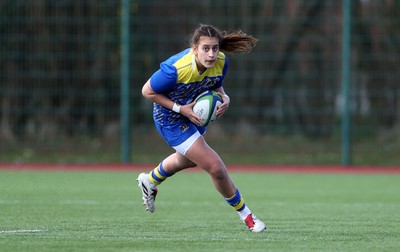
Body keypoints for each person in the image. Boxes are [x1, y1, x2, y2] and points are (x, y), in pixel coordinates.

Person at [137, 24, 266, 233]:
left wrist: (225, 97)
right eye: (206, 48)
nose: (212, 53)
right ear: (194, 49)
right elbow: (147, 91)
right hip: (169, 116)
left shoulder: (221, 62)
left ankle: (149, 180)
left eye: (215, 48)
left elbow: (214, 84)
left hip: (192, 112)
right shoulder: (176, 69)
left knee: (187, 159)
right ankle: (247, 216)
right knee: (215, 166)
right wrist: (181, 109)